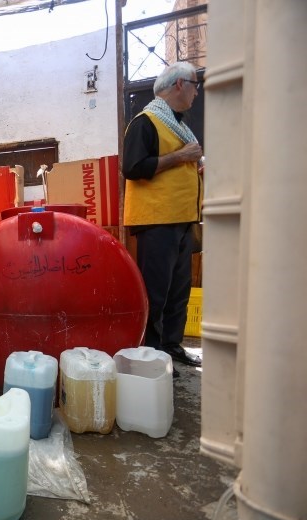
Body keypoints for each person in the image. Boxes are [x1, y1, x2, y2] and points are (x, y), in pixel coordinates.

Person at [122, 61, 204, 375]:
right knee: (156, 292)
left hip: (181, 218)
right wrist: (180, 157)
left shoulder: (178, 125)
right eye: (194, 85)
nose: (197, 92)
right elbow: (132, 167)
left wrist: (191, 166)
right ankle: (152, 355)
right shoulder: (146, 122)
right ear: (179, 85)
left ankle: (171, 345)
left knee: (178, 292)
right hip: (157, 221)